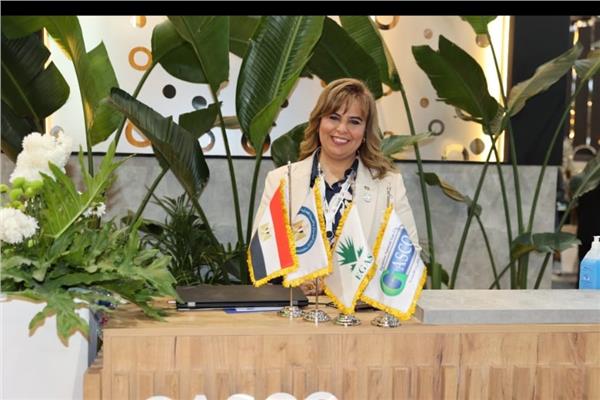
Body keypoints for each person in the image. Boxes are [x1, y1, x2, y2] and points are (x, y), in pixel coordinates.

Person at [253, 78, 420, 293]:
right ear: (318, 122)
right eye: (334, 117)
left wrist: (359, 286)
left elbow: (408, 256)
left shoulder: (388, 185)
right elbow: (262, 253)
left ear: (365, 131)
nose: (342, 129)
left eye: (354, 121)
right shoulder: (282, 180)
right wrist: (294, 282)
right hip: (297, 307)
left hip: (360, 310)